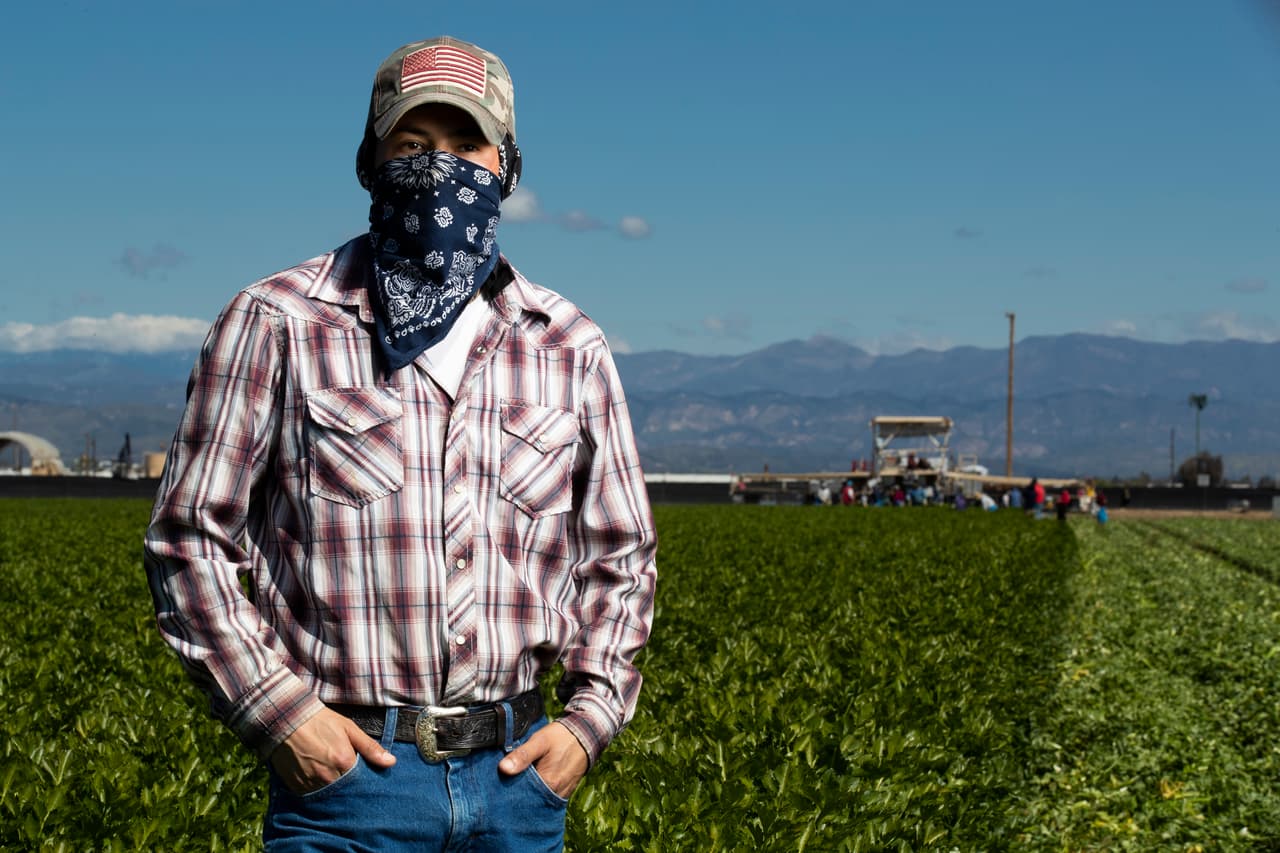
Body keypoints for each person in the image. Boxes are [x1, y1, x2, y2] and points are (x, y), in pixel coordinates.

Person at [143, 36, 657, 851]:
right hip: (349, 785)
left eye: (466, 146)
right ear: (368, 162)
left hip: (518, 785)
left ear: (508, 168)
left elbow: (621, 555)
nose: (439, 169)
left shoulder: (567, 344)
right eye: (412, 145)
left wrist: (588, 723)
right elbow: (188, 539)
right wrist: (281, 717)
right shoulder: (278, 321)